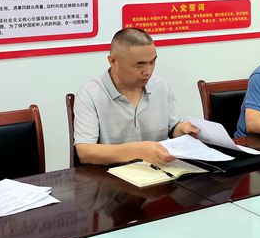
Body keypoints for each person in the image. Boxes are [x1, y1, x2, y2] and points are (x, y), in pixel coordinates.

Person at [73, 28, 199, 165]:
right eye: (140, 65)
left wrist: (182, 130)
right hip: (110, 173)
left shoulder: (160, 85)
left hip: (159, 170)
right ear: (113, 61)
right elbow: (85, 152)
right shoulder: (89, 94)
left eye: (152, 62)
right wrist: (139, 151)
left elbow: (173, 127)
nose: (148, 72)